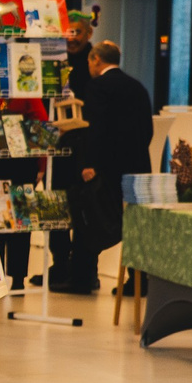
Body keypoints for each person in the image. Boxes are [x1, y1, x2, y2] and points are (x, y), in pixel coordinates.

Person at [49, 40, 154, 294]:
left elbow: (95, 130)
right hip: (137, 165)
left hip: (106, 168)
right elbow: (147, 129)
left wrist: (89, 164)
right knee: (134, 223)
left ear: (96, 59)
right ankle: (138, 281)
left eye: (89, 61)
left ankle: (82, 277)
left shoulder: (98, 87)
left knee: (89, 218)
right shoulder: (137, 87)